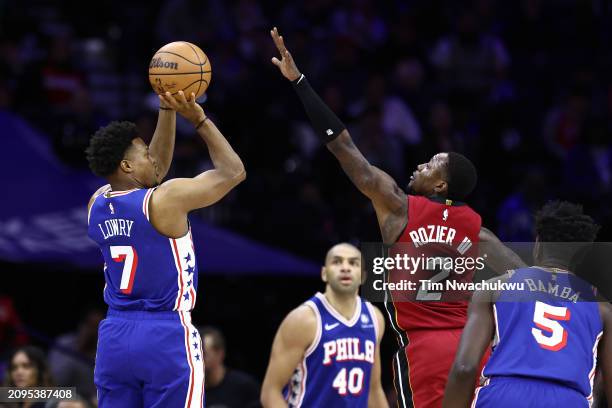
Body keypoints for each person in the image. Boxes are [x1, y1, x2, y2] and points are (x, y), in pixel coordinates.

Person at [269, 27, 524, 408]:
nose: (422, 164)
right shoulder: (478, 231)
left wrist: (300, 83)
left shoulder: (398, 206)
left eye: (431, 165)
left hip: (425, 350)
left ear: (440, 187)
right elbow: (528, 279)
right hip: (474, 350)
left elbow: (342, 146)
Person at [85, 90, 246, 408]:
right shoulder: (165, 199)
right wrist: (199, 120)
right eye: (144, 154)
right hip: (164, 333)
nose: (153, 160)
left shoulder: (97, 203)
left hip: (115, 337)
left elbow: (153, 171)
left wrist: (166, 109)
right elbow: (233, 172)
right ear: (128, 165)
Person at [443, 201, 612, 408]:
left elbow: (464, 368)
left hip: (504, 395)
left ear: (538, 243)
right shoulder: (601, 308)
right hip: (568, 399)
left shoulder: (495, 287)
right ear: (582, 255)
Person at [261, 243, 388, 408]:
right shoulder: (303, 320)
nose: (345, 268)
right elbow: (270, 392)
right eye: (337, 262)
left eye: (353, 263)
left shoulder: (374, 318)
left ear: (363, 276)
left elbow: (373, 389)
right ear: (324, 273)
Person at [200, 326, 260, 408]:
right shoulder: (190, 389)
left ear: (220, 354)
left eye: (204, 353)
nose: (199, 359)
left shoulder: (244, 386)